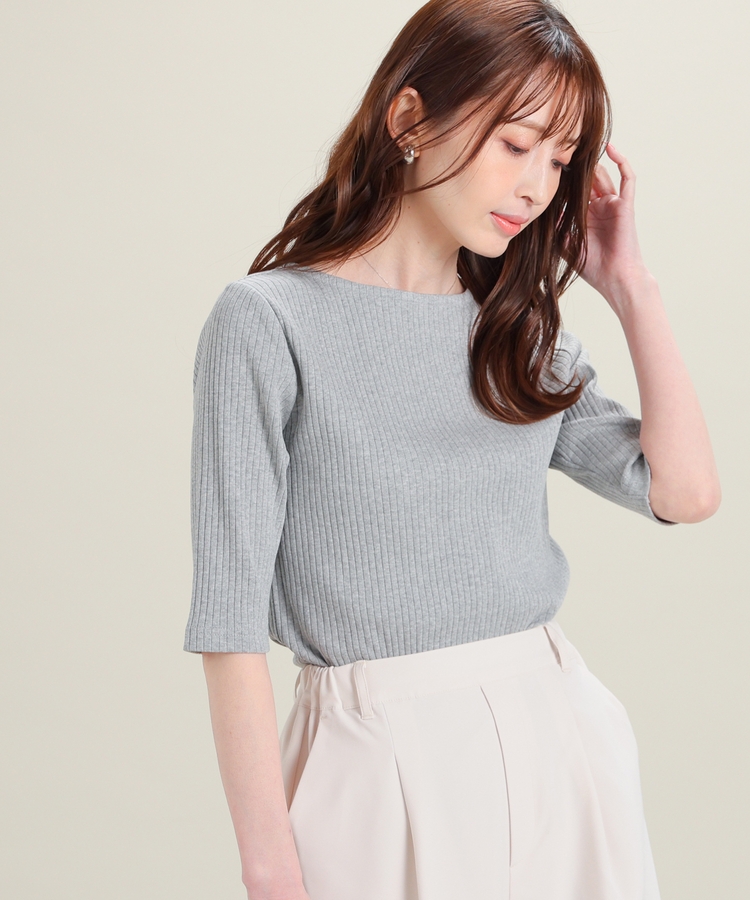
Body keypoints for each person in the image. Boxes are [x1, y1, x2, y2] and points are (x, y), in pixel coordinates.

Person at [182, 1, 721, 898]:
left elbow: (685, 493)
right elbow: (229, 621)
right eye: (516, 144)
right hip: (371, 754)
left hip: (559, 739)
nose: (537, 187)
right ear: (409, 119)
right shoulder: (268, 321)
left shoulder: (515, 333)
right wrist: (270, 865)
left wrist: (632, 285)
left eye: (560, 160)